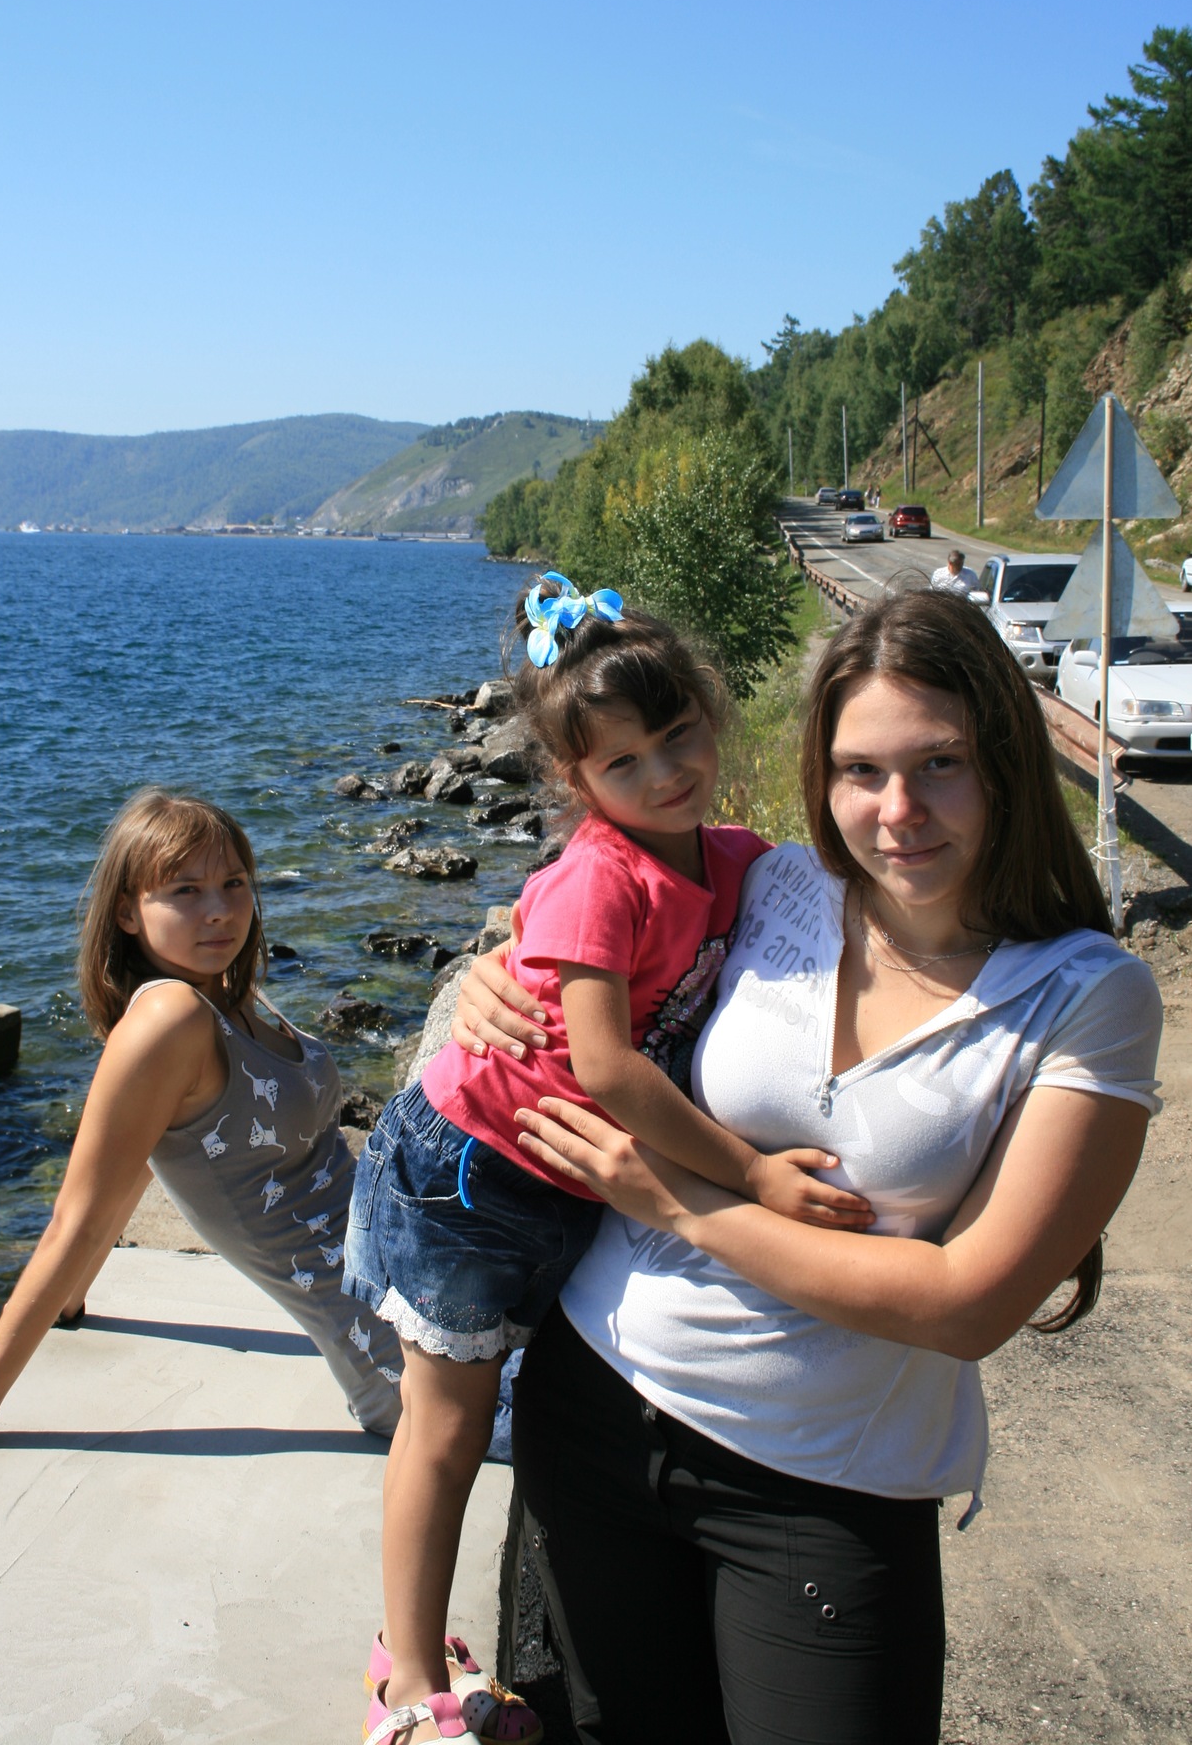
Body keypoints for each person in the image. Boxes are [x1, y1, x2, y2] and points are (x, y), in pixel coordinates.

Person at [452, 588, 1160, 1744]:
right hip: (593, 1409)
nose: (897, 810)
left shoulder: (1085, 994)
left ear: (1005, 762)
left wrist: (677, 1202)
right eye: (859, 770)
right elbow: (596, 929)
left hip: (823, 1478)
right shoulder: (776, 885)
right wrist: (490, 976)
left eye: (939, 762)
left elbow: (969, 1302)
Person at [344, 575, 873, 1745]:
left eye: (677, 735)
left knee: (496, 1414)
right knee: (444, 1423)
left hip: (552, 1177)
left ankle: (433, 1651)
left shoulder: (728, 859)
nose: (663, 772)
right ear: (574, 780)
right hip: (474, 1174)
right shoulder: (600, 873)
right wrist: (751, 1174)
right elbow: (610, 1068)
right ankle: (408, 1678)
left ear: (712, 714)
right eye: (623, 762)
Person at [0, 789, 403, 1482]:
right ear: (127, 911)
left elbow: (136, 1166)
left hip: (416, 1275)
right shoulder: (171, 1019)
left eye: (234, 883)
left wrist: (74, 1297)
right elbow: (76, 1219)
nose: (220, 909)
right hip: (403, 1354)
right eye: (185, 890)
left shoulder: (228, 993)